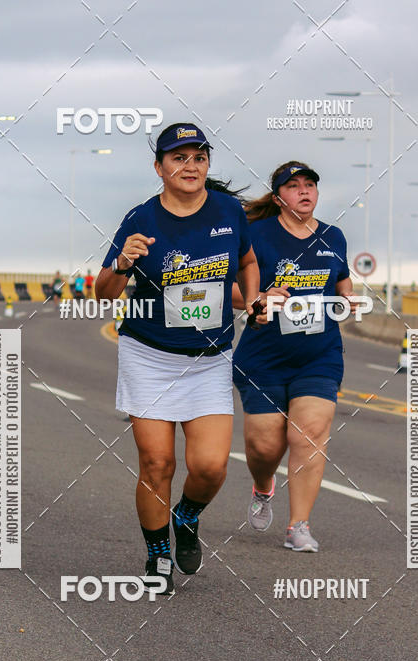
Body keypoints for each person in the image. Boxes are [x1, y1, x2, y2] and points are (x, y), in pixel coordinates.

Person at [95, 121, 259, 593]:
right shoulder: (140, 219)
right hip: (148, 355)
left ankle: (185, 516)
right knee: (158, 462)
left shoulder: (229, 211)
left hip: (207, 359)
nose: (191, 166)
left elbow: (247, 261)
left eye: (199, 157)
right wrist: (123, 262)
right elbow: (104, 293)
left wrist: (253, 300)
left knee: (210, 467)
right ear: (160, 168)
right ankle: (157, 555)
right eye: (179, 158)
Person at [232, 161, 353, 551]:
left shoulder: (334, 237)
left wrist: (349, 302)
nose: (304, 191)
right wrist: (260, 298)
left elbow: (342, 283)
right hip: (263, 355)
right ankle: (263, 485)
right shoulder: (255, 234)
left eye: (310, 185)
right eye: (294, 186)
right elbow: (227, 289)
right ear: (280, 197)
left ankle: (298, 526)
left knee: (310, 433)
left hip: (319, 355)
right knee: (265, 447)